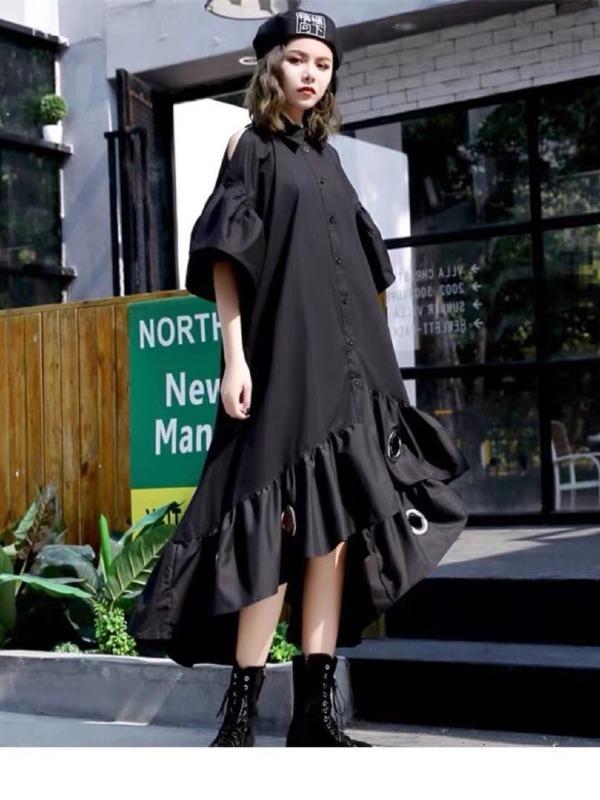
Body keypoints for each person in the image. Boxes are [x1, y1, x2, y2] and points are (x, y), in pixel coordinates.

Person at [127, 9, 469, 747]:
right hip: (284, 362)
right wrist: (235, 358)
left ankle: (316, 714)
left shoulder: (330, 158)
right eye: (297, 60)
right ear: (270, 67)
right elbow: (226, 260)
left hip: (352, 368)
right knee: (271, 533)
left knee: (333, 537)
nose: (311, 74)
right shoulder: (247, 146)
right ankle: (240, 717)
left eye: (323, 63)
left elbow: (362, 271)